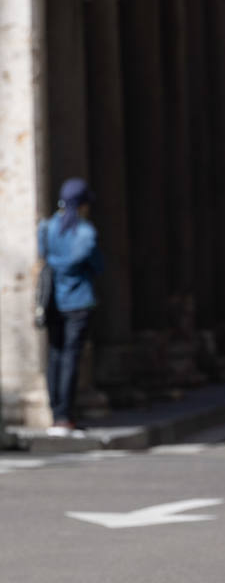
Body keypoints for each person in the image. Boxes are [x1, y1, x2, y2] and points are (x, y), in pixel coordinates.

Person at [37, 178, 105, 435]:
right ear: (83, 204)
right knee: (70, 358)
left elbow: (45, 258)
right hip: (78, 300)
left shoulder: (46, 228)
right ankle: (66, 416)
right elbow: (97, 265)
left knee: (54, 356)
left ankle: (57, 415)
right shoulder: (86, 233)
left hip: (53, 300)